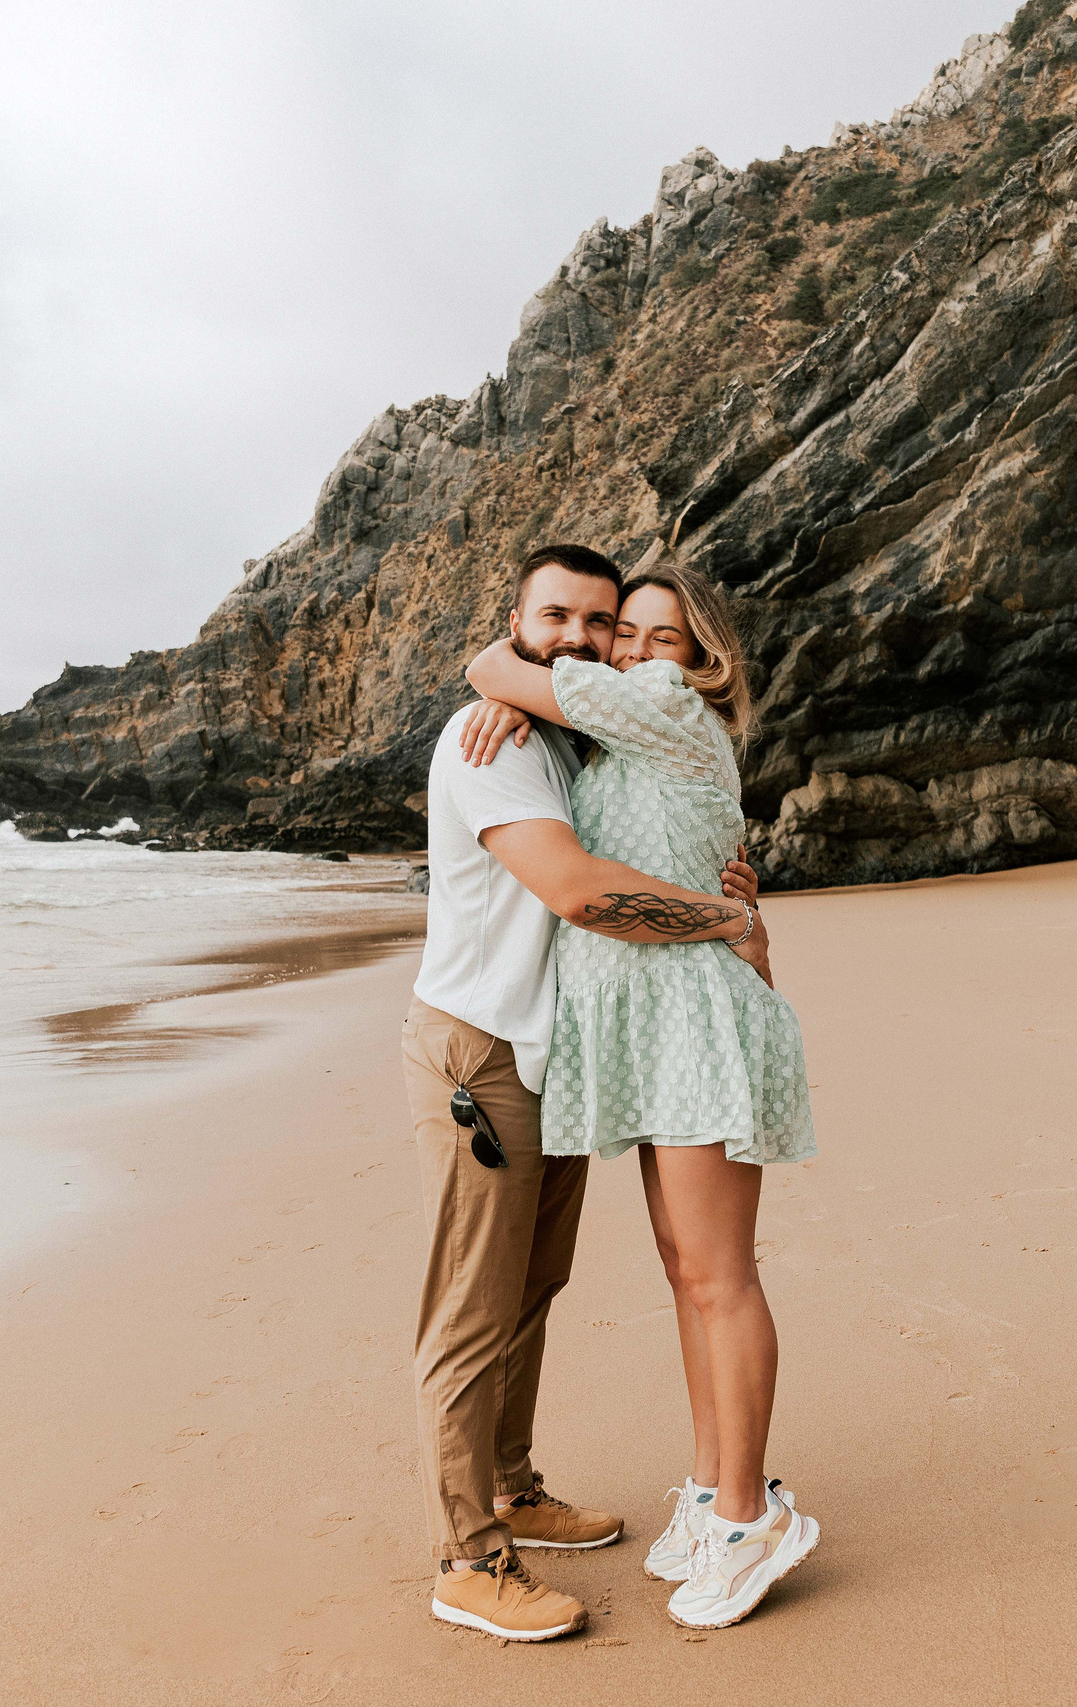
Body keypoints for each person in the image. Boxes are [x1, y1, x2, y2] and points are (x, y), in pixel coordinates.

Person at [403, 543, 770, 1644]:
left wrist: (723, 880)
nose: (582, 638)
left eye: (598, 623)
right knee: (472, 1306)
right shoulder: (494, 744)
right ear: (516, 619)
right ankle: (467, 1555)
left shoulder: (574, 736)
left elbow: (672, 814)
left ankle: (512, 1486)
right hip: (481, 1050)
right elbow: (574, 888)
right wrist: (729, 919)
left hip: (552, 1051)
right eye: (555, 615)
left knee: (531, 1284)